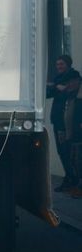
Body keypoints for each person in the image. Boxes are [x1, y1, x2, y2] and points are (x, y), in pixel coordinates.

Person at [46, 54, 81, 191]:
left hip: (68, 123)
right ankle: (69, 178)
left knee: (70, 152)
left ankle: (74, 180)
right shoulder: (58, 79)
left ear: (68, 64)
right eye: (57, 64)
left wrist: (55, 86)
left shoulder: (74, 76)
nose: (59, 67)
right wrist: (56, 86)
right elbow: (48, 93)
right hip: (58, 120)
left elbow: (68, 89)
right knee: (62, 151)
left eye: (61, 64)